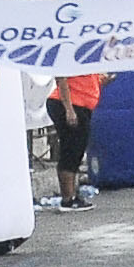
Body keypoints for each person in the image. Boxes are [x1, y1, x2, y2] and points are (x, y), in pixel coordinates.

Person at [46, 73, 104, 209]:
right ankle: (67, 199)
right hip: (70, 104)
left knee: (77, 151)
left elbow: (85, 82)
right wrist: (69, 109)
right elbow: (61, 79)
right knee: (71, 150)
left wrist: (101, 80)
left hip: (80, 105)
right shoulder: (70, 63)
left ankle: (71, 194)